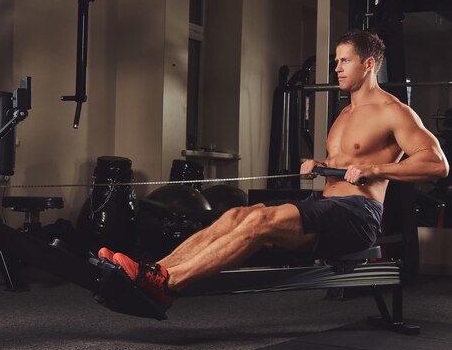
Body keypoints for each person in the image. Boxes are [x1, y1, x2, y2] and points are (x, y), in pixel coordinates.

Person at [98, 29, 449, 308]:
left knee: (259, 222)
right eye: (337, 61)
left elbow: (437, 164)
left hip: (358, 215)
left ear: (369, 64)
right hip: (327, 207)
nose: (337, 68)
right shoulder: (345, 113)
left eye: (345, 61)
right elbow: (347, 164)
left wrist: (378, 169)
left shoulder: (393, 110)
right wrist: (321, 166)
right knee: (237, 216)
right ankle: (154, 272)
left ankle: (168, 286)